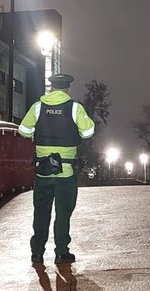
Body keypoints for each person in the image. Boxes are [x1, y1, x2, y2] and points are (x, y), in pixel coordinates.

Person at [18, 73, 95, 265]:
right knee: (63, 212)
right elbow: (87, 133)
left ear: (51, 88)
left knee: (41, 211)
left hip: (43, 169)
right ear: (68, 88)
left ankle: (37, 252)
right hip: (66, 171)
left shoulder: (38, 107)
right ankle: (62, 252)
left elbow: (23, 131)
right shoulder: (74, 107)